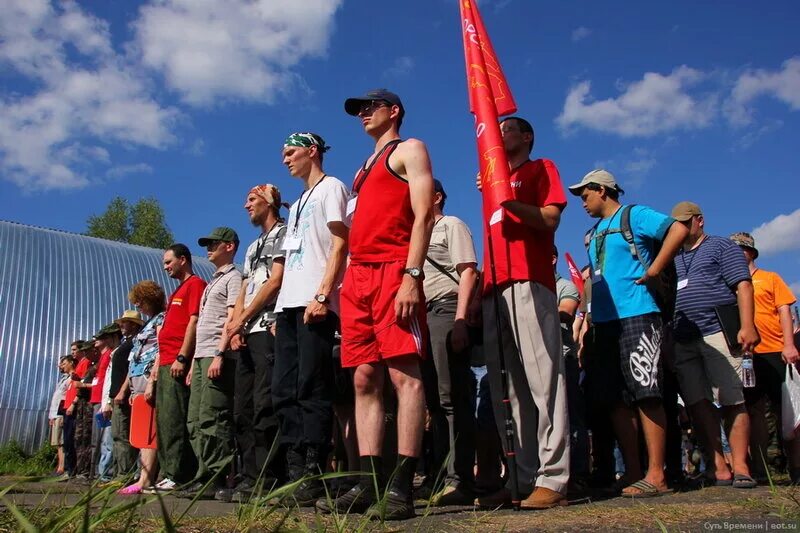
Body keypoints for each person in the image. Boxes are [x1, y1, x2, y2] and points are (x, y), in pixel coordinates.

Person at [320, 89, 434, 520]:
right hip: (359, 278)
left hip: (394, 270)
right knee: (364, 379)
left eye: (371, 107)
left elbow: (422, 215)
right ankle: (369, 484)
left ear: (394, 111)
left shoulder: (410, 149)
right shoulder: (362, 170)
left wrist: (412, 275)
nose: (364, 114)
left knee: (405, 376)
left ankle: (402, 488)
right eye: (359, 110)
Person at [568, 169, 688, 497]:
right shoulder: (593, 233)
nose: (582, 203)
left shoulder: (633, 215)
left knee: (646, 391)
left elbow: (677, 229)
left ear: (602, 190)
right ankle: (634, 471)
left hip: (638, 312)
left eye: (585, 195)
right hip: (604, 323)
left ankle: (656, 474)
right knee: (615, 399)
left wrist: (654, 268)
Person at [472, 116, 570, 509]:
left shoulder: (540, 168)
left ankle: (556, 477)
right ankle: (524, 479)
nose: (499, 134)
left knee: (543, 378)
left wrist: (508, 201)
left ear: (526, 136)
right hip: (495, 286)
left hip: (529, 280)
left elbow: (550, 217)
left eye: (507, 129)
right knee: (513, 388)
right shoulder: (492, 179)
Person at [272, 132, 349, 505]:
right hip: (288, 305)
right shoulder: (298, 201)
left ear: (312, 151)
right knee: (283, 390)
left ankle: (316, 472)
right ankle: (294, 469)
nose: (285, 159)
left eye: (291, 152)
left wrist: (322, 294)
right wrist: (279, 306)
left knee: (311, 386)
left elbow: (340, 243)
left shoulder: (332, 187)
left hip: (314, 303)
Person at [669, 203, 759, 488]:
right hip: (683, 337)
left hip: (717, 331)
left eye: (686, 222)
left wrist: (746, 325)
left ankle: (742, 465)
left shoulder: (722, 247)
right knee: (698, 402)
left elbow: (743, 285)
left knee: (732, 398)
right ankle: (718, 465)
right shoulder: (672, 257)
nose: (681, 229)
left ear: (700, 221)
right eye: (676, 224)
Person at [220, 185, 287, 502]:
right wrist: (235, 325)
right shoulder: (252, 246)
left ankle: (268, 476)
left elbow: (275, 281)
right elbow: (247, 283)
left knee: (265, 404)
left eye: (252, 200)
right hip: (246, 331)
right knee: (242, 408)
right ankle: (247, 476)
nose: (246, 205)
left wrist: (244, 317)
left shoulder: (284, 233)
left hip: (267, 329)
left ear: (270, 202)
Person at [420, 178, 479, 505]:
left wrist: (460, 320)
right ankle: (439, 475)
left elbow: (468, 271)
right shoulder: (417, 234)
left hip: (446, 308)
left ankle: (459, 480)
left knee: (451, 397)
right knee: (433, 402)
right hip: (423, 316)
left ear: (438, 196)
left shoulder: (451, 225)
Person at [731, 232, 800, 482]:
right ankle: (760, 470)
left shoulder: (770, 278)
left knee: (789, 411)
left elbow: (785, 310)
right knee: (753, 410)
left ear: (751, 252)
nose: (736, 254)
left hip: (775, 351)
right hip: (747, 356)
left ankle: (796, 468)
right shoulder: (728, 284)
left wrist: (789, 345)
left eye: (741, 249)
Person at [180, 228, 242, 499]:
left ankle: (217, 475)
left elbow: (231, 318)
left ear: (229, 246)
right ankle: (203, 473)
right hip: (201, 356)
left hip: (217, 355)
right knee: (195, 420)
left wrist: (220, 353)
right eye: (207, 244)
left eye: (214, 243)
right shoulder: (212, 281)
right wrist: (194, 361)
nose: (209, 248)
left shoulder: (234, 277)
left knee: (214, 416)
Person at [154, 244, 206, 491]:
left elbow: (194, 321)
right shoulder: (177, 290)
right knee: (164, 420)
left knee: (176, 418)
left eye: (168, 262)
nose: (165, 267)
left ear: (182, 260)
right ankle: (167, 471)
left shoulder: (195, 285)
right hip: (164, 362)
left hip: (177, 361)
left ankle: (179, 474)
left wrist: (183, 356)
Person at [117, 281, 166, 495]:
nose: (138, 306)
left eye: (140, 302)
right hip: (137, 381)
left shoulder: (161, 319)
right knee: (140, 431)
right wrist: (127, 388)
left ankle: (147, 479)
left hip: (148, 379)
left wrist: (153, 380)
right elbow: (133, 359)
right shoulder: (147, 324)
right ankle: (143, 476)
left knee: (149, 432)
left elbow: (162, 348)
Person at [553, 245, 589, 489]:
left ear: (552, 258)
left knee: (572, 418)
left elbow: (566, 312)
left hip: (563, 360)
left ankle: (578, 473)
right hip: (538, 361)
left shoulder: (564, 286)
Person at [101, 310, 144, 478]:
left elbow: (132, 368)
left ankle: (124, 474)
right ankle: (121, 472)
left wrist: (122, 391)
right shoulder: (126, 343)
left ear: (133, 324)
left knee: (123, 435)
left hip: (123, 396)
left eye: (124, 323)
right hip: (116, 396)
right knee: (117, 436)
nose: (121, 326)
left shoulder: (135, 343)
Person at [91, 323, 121, 482]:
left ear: (114, 337)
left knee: (109, 440)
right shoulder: (110, 355)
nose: (103, 339)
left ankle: (106, 474)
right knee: (104, 440)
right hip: (104, 402)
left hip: (110, 402)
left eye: (106, 337)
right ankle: (103, 473)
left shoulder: (117, 354)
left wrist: (108, 401)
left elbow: (113, 381)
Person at [71, 340, 100, 480]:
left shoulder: (97, 365)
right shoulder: (91, 366)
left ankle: (87, 470)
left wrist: (83, 385)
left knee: (88, 437)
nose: (86, 353)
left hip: (89, 404)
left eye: (88, 350)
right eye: (85, 351)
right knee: (80, 437)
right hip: (83, 405)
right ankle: (81, 468)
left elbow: (97, 384)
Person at [61, 340, 84, 479]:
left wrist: (73, 404)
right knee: (67, 440)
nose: (73, 352)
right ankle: (69, 469)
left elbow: (79, 387)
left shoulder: (83, 364)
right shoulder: (77, 367)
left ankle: (73, 470)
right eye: (72, 350)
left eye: (75, 349)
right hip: (67, 407)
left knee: (72, 439)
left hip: (73, 407)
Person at [48, 356, 72, 479]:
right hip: (55, 413)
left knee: (61, 442)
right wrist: (51, 415)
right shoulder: (63, 379)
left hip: (60, 413)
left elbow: (65, 397)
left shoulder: (70, 379)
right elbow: (56, 398)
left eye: (63, 363)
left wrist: (61, 415)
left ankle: (62, 467)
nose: (60, 366)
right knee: (58, 443)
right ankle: (60, 466)